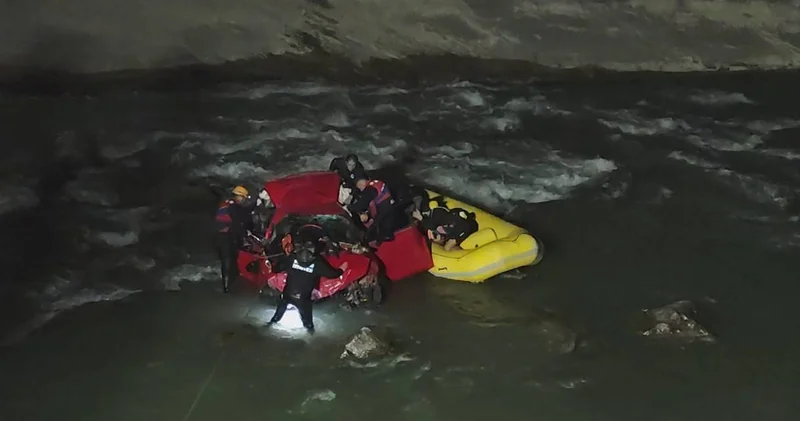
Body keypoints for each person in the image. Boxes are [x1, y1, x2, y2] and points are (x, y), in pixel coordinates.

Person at [266, 240, 346, 333]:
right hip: (303, 300)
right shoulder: (317, 263)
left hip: (287, 295)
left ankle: (268, 327)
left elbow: (276, 269)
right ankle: (311, 337)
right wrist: (342, 269)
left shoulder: (292, 258)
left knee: (276, 318)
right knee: (308, 326)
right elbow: (333, 274)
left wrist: (271, 265)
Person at [214, 185, 255, 293]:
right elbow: (239, 219)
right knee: (228, 261)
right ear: (238, 196)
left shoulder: (226, 203)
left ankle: (227, 286)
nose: (244, 200)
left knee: (229, 261)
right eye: (243, 198)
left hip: (221, 237)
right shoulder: (233, 206)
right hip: (225, 237)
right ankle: (227, 288)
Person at [347, 177, 396, 246]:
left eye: (360, 188)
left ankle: (376, 241)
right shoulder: (376, 183)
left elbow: (362, 204)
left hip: (383, 210)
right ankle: (385, 236)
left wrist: (349, 207)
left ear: (361, 184)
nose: (361, 190)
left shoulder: (369, 189)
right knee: (385, 225)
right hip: (389, 205)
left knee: (374, 228)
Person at [413, 205, 478, 252]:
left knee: (446, 248)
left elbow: (447, 247)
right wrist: (421, 219)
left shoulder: (459, 230)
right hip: (459, 217)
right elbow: (432, 223)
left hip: (467, 229)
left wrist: (437, 241)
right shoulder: (442, 215)